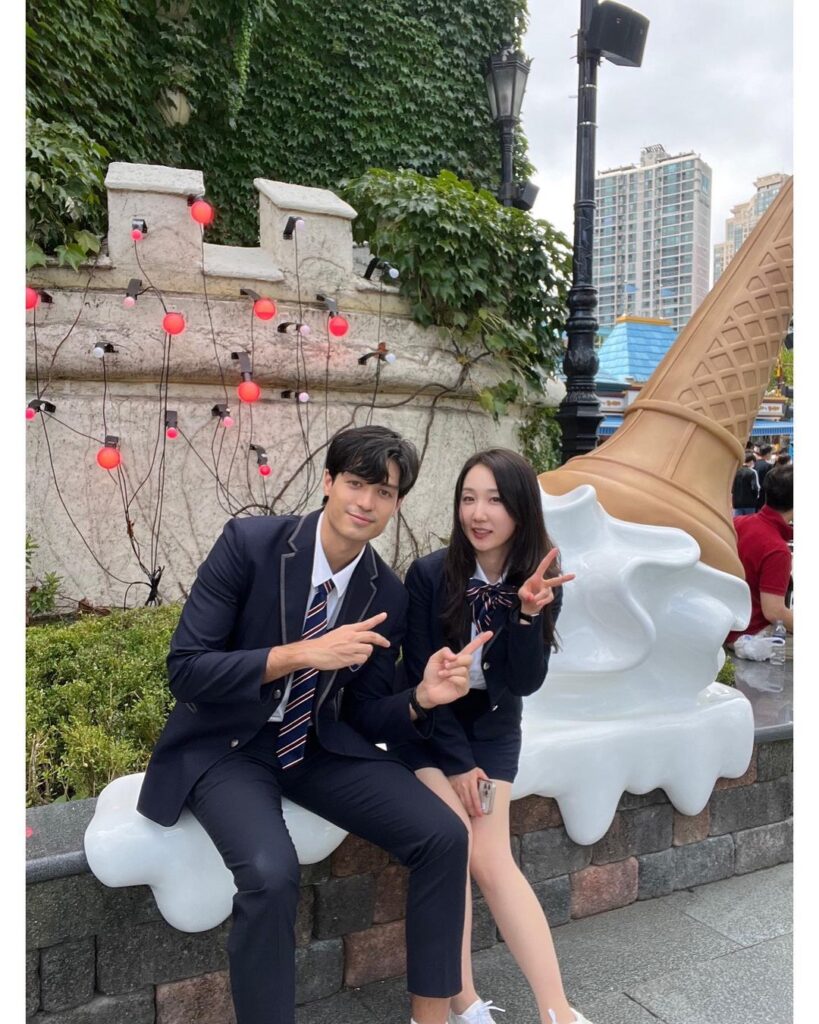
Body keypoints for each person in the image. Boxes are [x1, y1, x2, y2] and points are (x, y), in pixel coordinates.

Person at [137, 425, 494, 1024]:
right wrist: (300, 654)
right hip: (229, 747)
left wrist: (420, 699)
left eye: (384, 492)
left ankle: (431, 1016)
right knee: (270, 873)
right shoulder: (250, 545)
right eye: (355, 484)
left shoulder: (386, 592)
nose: (366, 502)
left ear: (397, 504)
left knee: (444, 835)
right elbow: (187, 669)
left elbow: (365, 712)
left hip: (313, 743)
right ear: (328, 482)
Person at [390, 449, 591, 1024]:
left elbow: (523, 682)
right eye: (468, 499)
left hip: (495, 728)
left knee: (492, 855)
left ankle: (557, 1010)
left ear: (521, 509)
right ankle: (463, 1000)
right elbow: (418, 678)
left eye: (495, 500)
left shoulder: (541, 580)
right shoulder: (430, 575)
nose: (478, 514)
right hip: (430, 729)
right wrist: (457, 765)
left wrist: (525, 616)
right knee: (455, 839)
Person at [726, 464, 793, 646]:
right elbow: (774, 611)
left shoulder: (737, 523)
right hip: (750, 637)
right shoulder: (777, 550)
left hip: (723, 628)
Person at [731, 451, 760, 516]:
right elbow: (755, 487)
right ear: (751, 461)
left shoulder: (735, 471)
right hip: (749, 503)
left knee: (737, 520)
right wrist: (756, 497)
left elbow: (732, 488)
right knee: (749, 520)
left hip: (737, 502)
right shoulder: (752, 472)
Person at [753, 444, 775, 510]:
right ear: (767, 454)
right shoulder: (768, 466)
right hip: (763, 494)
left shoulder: (754, 464)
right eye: (771, 453)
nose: (771, 455)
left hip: (754, 493)